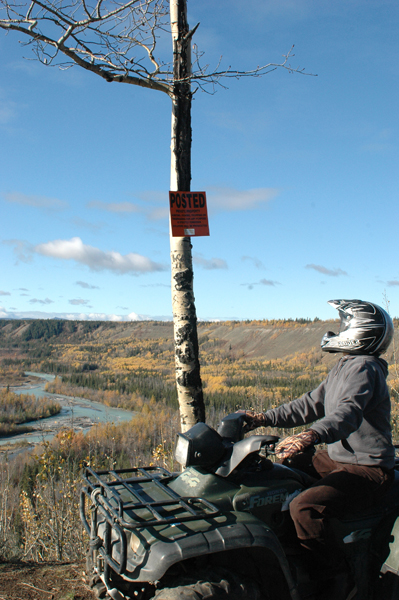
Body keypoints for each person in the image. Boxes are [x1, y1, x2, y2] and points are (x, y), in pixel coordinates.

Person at [239, 299, 395, 598]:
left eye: (344, 325)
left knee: (305, 506)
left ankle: (334, 576)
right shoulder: (346, 365)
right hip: (340, 459)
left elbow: (347, 413)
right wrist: (262, 418)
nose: (338, 329)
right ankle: (292, 549)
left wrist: (310, 435)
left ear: (361, 331)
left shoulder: (366, 368)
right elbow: (309, 404)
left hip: (368, 469)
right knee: (281, 472)